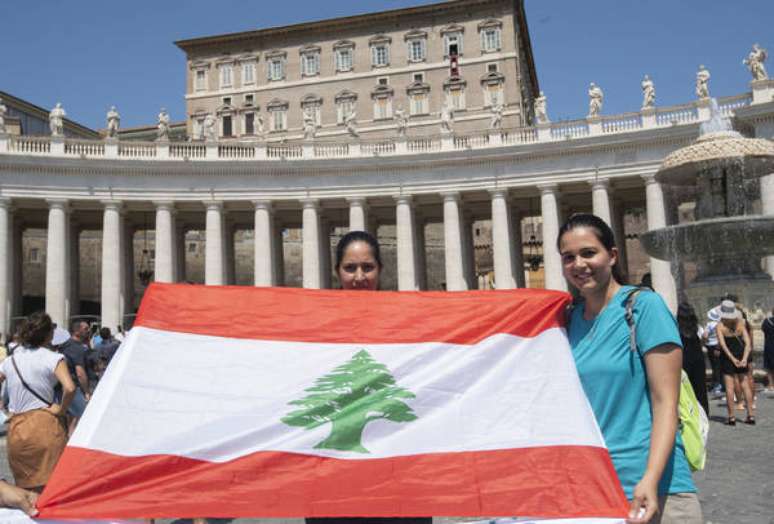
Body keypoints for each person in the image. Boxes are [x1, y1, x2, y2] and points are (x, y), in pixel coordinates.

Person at [557, 213, 701, 524]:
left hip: (656, 489)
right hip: (593, 490)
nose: (578, 264)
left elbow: (666, 403)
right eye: (568, 257)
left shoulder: (644, 307)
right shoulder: (568, 320)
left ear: (612, 255)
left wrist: (650, 478)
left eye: (588, 253)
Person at [306, 230, 430, 524]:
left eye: (367, 267)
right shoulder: (315, 325)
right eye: (350, 268)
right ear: (337, 272)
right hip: (333, 478)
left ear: (380, 270)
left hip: (399, 473)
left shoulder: (410, 319)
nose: (359, 276)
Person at [0, 312, 75, 491]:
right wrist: (61, 410)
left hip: (18, 427)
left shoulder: (11, 361)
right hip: (45, 425)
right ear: (49, 334)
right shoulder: (53, 358)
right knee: (51, 486)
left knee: (26, 489)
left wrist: (3, 412)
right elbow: (70, 388)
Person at [716, 300, 755, 425]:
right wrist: (744, 358)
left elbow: (723, 345)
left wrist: (732, 359)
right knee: (745, 385)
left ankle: (731, 417)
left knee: (729, 387)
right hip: (741, 354)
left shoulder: (720, 326)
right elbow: (748, 343)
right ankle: (750, 415)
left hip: (728, 358)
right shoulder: (741, 323)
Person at [676, 302, 709, 415]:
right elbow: (704, 339)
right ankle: (703, 411)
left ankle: (688, 411)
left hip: (683, 358)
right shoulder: (696, 326)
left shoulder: (676, 327)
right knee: (700, 386)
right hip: (698, 357)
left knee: (685, 386)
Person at [59, 320, 91, 432]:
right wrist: (86, 391)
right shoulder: (77, 348)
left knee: (71, 417)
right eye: (86, 329)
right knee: (83, 416)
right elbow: (80, 372)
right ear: (77, 331)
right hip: (75, 387)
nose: (88, 331)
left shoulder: (65, 345)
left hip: (64, 385)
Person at [702, 308, 722, 397]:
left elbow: (705, 335)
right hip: (719, 346)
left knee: (714, 366)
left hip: (711, 346)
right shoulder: (720, 324)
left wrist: (704, 342)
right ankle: (721, 384)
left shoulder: (709, 325)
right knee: (720, 365)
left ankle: (717, 385)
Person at [763, 307, 774, 393]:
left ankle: (771, 384)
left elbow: (763, 330)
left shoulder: (767, 321)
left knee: (769, 366)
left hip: (769, 345)